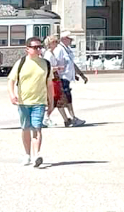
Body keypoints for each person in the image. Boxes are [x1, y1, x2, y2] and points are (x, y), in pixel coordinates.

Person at [7, 36, 54, 167]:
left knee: (37, 128)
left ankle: (36, 155)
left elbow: (49, 85)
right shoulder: (21, 63)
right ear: (27, 49)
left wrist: (51, 102)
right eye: (35, 47)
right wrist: (12, 95)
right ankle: (27, 154)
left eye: (40, 47)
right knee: (25, 128)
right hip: (23, 102)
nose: (38, 49)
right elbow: (11, 80)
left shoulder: (46, 64)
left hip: (39, 102)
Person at [52, 34, 87, 127]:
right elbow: (55, 64)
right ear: (64, 39)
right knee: (65, 100)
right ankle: (72, 118)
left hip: (67, 78)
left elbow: (71, 64)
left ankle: (69, 119)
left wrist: (79, 74)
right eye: (69, 38)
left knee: (66, 99)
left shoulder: (67, 49)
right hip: (61, 78)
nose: (71, 40)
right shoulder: (59, 50)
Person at [42, 35, 71, 127]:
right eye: (54, 42)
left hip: (55, 77)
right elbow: (47, 68)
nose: (56, 44)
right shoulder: (48, 54)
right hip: (52, 77)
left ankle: (66, 119)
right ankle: (46, 118)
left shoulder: (52, 53)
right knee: (55, 99)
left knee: (58, 99)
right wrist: (58, 68)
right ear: (49, 44)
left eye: (56, 42)